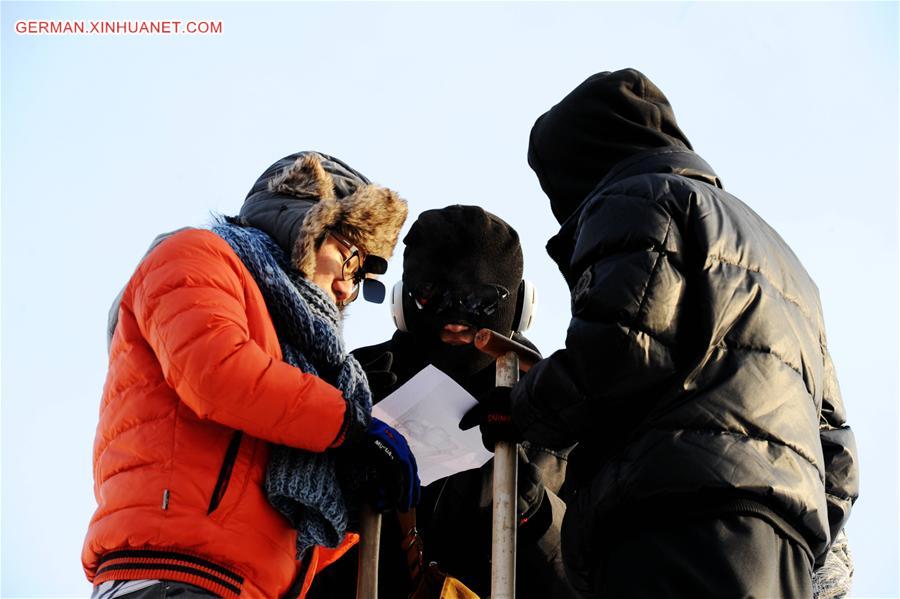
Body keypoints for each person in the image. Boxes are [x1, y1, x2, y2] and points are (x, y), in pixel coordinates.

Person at [462, 69, 860, 597]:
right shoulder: (784, 263)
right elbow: (836, 446)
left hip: (669, 523)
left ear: (584, 158)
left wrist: (517, 408)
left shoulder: (636, 199)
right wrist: (795, 528)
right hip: (781, 547)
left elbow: (622, 346)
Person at [82, 151, 420, 599]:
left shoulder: (300, 349)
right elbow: (217, 374)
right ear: (306, 222)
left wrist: (353, 483)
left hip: (245, 586)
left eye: (361, 277)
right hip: (173, 573)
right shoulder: (194, 255)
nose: (347, 288)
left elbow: (284, 514)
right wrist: (349, 428)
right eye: (350, 256)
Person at [309, 205, 577, 598]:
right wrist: (342, 453)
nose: (453, 319)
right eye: (431, 295)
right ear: (403, 301)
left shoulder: (560, 410)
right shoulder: (351, 382)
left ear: (518, 307)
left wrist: (528, 508)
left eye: (480, 300)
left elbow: (591, 577)